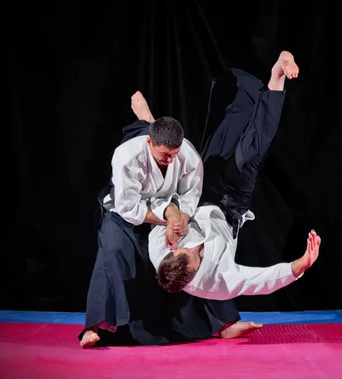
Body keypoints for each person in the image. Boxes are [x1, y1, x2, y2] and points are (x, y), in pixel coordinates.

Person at [80, 92, 259, 348]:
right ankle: (94, 326)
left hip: (170, 211)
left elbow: (191, 194)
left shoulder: (187, 155)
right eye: (165, 154)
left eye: (175, 153)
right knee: (112, 251)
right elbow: (129, 207)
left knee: (191, 256)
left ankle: (224, 323)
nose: (171, 160)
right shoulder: (127, 158)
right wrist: (168, 218)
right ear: (150, 143)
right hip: (126, 215)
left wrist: (182, 218)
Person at [149, 51, 321, 301]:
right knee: (250, 155)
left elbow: (156, 205)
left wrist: (172, 214)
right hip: (231, 208)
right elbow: (262, 281)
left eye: (182, 248)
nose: (191, 246)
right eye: (195, 253)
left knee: (224, 132)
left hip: (197, 197)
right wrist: (302, 264)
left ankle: (239, 88)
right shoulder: (217, 283)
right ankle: (276, 78)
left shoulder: (160, 249)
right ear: (196, 272)